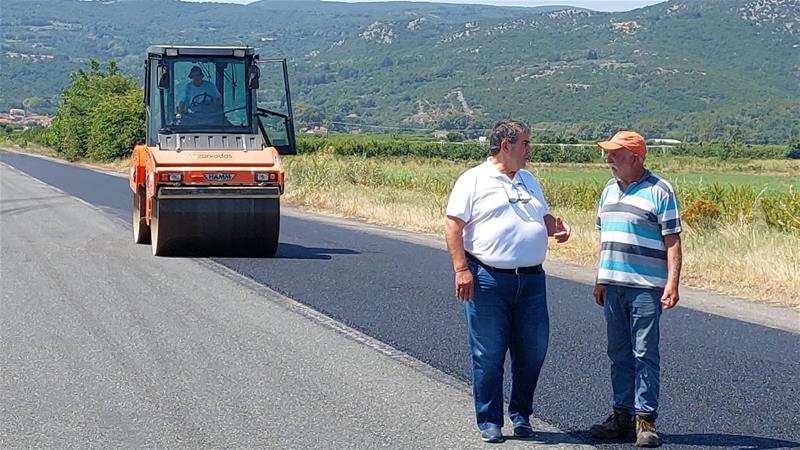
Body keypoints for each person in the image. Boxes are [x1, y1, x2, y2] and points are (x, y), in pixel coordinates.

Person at [444, 119, 571, 443]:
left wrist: (557, 229)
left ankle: (521, 414)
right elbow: (453, 226)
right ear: (506, 145)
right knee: (488, 354)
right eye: (525, 143)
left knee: (533, 351)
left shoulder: (529, 180)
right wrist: (461, 269)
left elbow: (543, 217)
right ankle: (490, 420)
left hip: (531, 281)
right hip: (488, 279)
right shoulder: (474, 179)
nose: (530, 150)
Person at [590, 131, 682, 448]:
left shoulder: (660, 190)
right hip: (613, 286)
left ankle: (645, 419)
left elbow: (672, 241)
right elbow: (606, 239)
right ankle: (621, 415)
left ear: (635, 158)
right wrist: (600, 278)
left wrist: (672, 282)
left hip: (645, 288)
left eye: (615, 154)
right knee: (618, 353)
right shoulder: (608, 190)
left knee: (644, 353)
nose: (609, 159)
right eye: (609, 154)